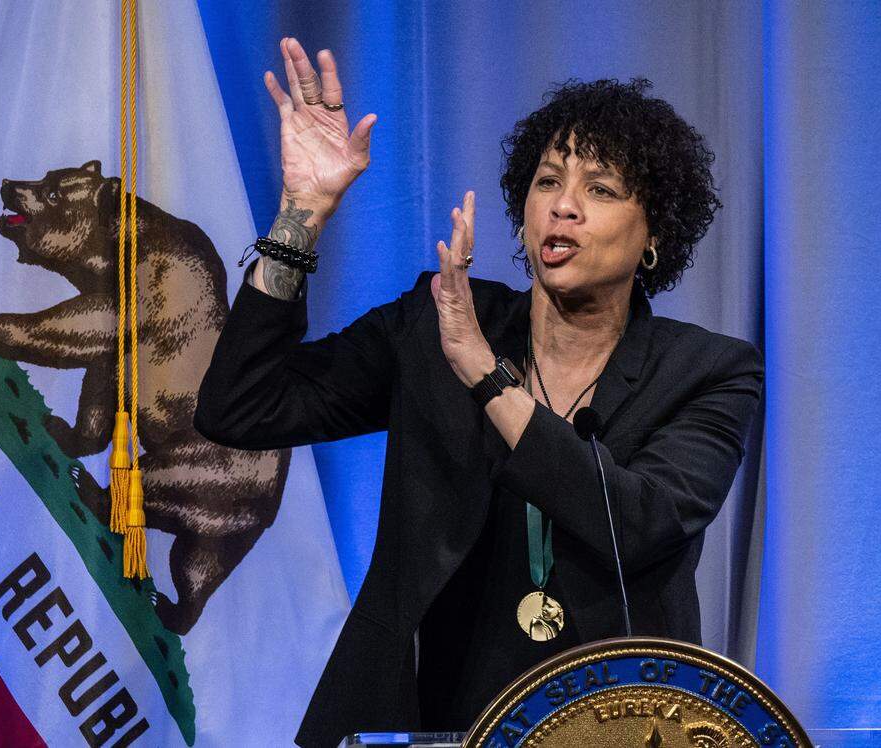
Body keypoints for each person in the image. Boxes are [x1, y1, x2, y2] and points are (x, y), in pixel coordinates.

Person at [194, 37, 763, 748]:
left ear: (654, 236)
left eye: (603, 189)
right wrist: (298, 220)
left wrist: (487, 376)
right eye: (548, 181)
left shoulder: (706, 371)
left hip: (616, 722)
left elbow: (641, 524)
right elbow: (240, 407)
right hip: (418, 716)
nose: (564, 207)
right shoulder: (435, 321)